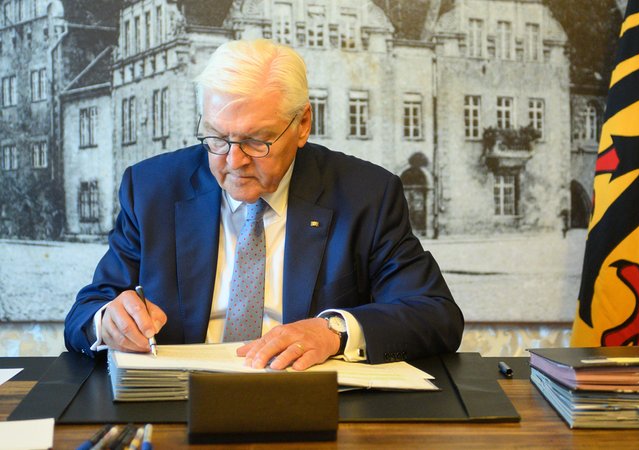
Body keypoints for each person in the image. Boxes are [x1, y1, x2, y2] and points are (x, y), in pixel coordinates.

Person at [64, 38, 463, 370]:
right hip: (178, 403)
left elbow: (435, 315)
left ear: (303, 124)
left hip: (312, 403)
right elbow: (85, 312)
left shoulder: (366, 194)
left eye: (257, 140)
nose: (234, 161)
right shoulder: (152, 188)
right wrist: (107, 322)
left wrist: (334, 332)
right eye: (217, 138)